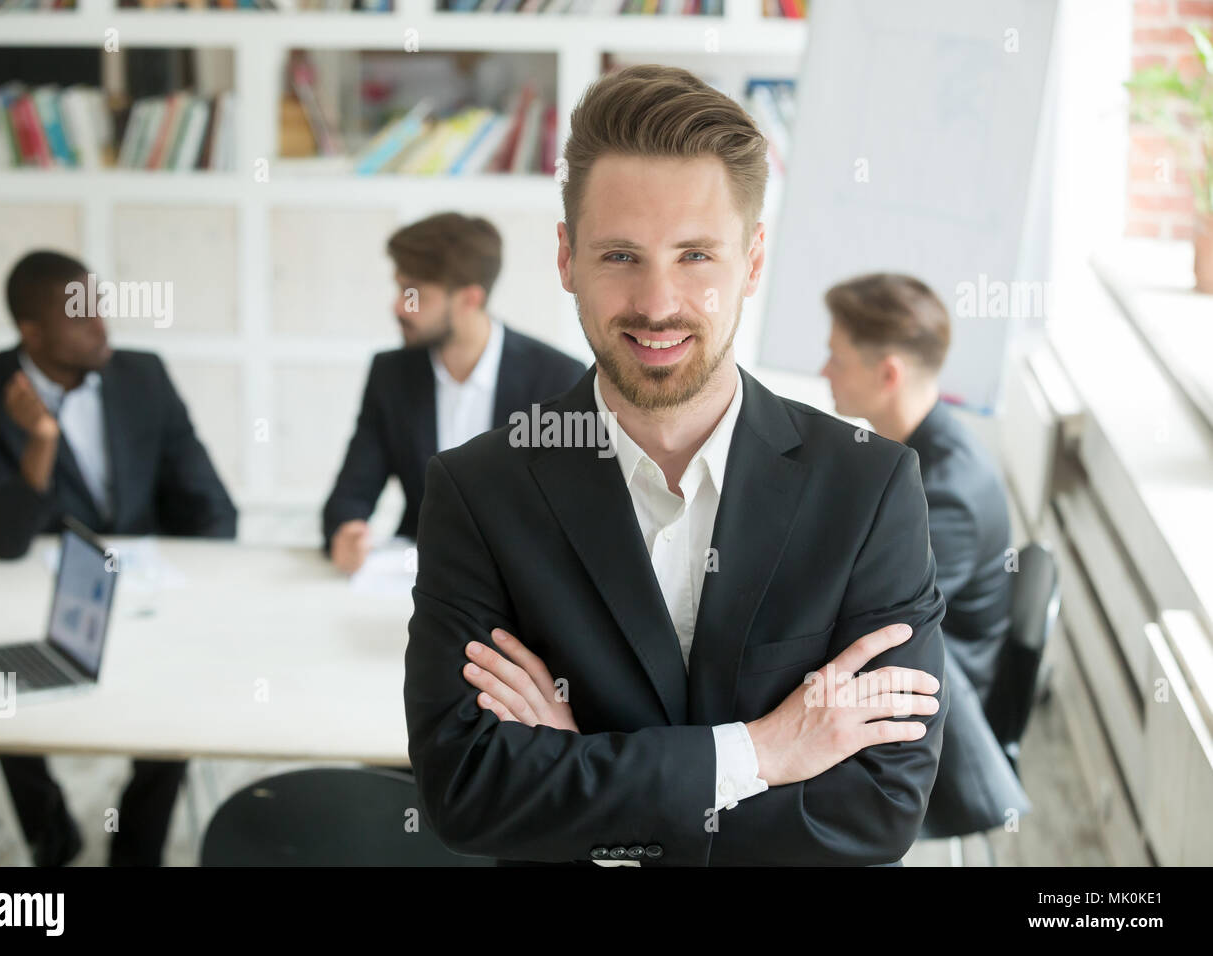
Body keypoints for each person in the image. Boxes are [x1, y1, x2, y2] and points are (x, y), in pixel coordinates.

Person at [403, 65, 949, 866]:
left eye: (696, 256)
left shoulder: (869, 489)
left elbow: (877, 810)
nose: (657, 304)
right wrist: (760, 753)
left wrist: (586, 781)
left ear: (753, 262)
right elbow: (467, 789)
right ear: (566, 259)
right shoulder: (478, 491)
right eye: (621, 255)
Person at [0, 249, 237, 865]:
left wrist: (202, 585)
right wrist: (41, 441)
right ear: (32, 332)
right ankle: (52, 836)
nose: (103, 327)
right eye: (81, 317)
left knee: (176, 707)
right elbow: (4, 540)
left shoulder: (143, 375)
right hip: (36, 594)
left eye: (101, 308)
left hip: (147, 588)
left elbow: (210, 503)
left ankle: (136, 848)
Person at [820, 272, 1028, 839]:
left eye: (836, 357)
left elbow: (871, 619)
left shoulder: (949, 489)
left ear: (887, 374)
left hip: (938, 713)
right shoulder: (919, 449)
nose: (824, 370)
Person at [322, 213, 586, 574]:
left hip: (522, 586)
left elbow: (577, 519)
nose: (399, 306)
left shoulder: (559, 377)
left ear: (469, 299)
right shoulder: (391, 375)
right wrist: (346, 532)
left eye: (414, 294)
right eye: (400, 290)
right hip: (414, 576)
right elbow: (349, 497)